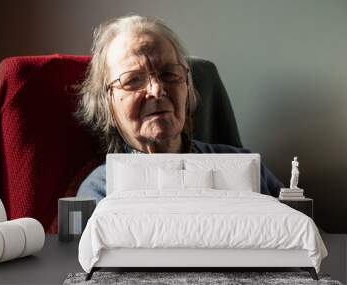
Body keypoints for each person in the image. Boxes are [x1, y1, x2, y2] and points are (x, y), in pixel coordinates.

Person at [75, 15, 283, 202]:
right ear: (106, 104)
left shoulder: (248, 169)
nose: (157, 90)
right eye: (133, 80)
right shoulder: (101, 190)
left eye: (169, 74)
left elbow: (306, 236)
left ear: (188, 88)